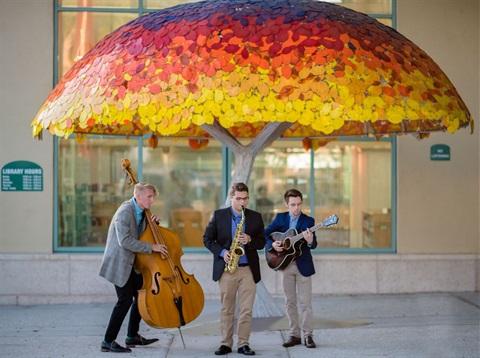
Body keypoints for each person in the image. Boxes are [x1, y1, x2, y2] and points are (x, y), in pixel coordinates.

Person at [99, 182, 168, 353]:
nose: (152, 200)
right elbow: (125, 241)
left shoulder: (142, 212)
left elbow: (140, 234)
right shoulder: (124, 212)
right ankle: (107, 341)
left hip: (132, 264)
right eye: (149, 197)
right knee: (124, 301)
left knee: (141, 294)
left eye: (153, 197)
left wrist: (153, 225)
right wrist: (152, 247)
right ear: (138, 196)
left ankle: (132, 336)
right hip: (120, 264)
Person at [203, 182, 266, 356]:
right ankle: (225, 343)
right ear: (231, 197)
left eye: (245, 199)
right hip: (227, 269)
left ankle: (243, 344)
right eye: (238, 199)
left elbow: (262, 242)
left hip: (248, 270)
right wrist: (223, 252)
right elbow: (207, 239)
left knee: (246, 309)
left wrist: (250, 240)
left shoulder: (255, 217)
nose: (242, 202)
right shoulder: (218, 215)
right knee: (227, 308)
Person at [264, 189, 317, 349]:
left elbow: (313, 244)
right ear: (286, 204)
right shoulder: (280, 218)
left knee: (305, 303)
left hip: (303, 266)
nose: (296, 208)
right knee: (289, 302)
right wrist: (272, 244)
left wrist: (309, 240)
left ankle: (308, 335)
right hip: (284, 265)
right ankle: (294, 334)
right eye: (293, 204)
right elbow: (266, 234)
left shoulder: (308, 221)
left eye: (299, 204)